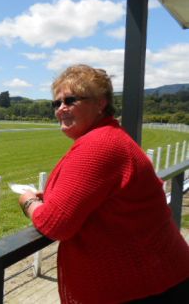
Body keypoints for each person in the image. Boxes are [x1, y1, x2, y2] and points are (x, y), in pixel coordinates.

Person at [18, 64, 189, 303]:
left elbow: (55, 224)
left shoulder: (99, 145)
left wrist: (29, 202)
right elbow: (96, 197)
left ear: (100, 103)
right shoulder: (109, 136)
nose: (61, 109)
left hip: (145, 287)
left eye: (70, 100)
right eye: (56, 103)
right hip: (156, 276)